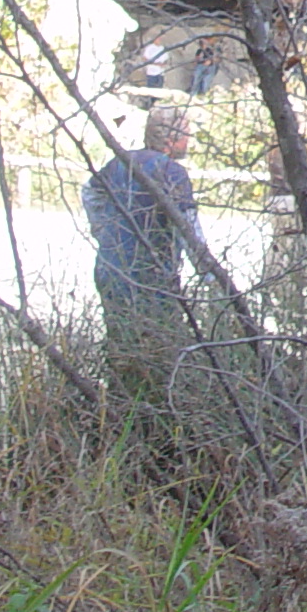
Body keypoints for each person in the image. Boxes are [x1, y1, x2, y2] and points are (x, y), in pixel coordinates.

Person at [83, 106, 196, 436]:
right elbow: (190, 231)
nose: (190, 141)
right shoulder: (172, 173)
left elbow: (90, 191)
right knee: (159, 353)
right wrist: (210, 276)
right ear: (172, 138)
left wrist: (102, 229)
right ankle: (151, 426)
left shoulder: (120, 161)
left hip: (110, 270)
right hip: (151, 279)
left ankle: (117, 416)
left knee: (120, 346)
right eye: (187, 134)